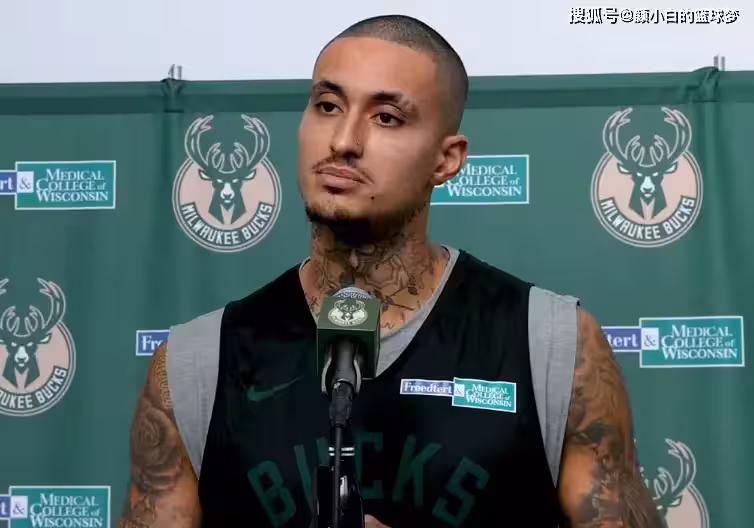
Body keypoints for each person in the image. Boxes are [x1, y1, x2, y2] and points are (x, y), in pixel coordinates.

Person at [118, 14, 664, 528]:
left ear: (446, 160)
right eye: (328, 106)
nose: (343, 141)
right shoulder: (195, 363)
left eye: (387, 118)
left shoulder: (554, 345)